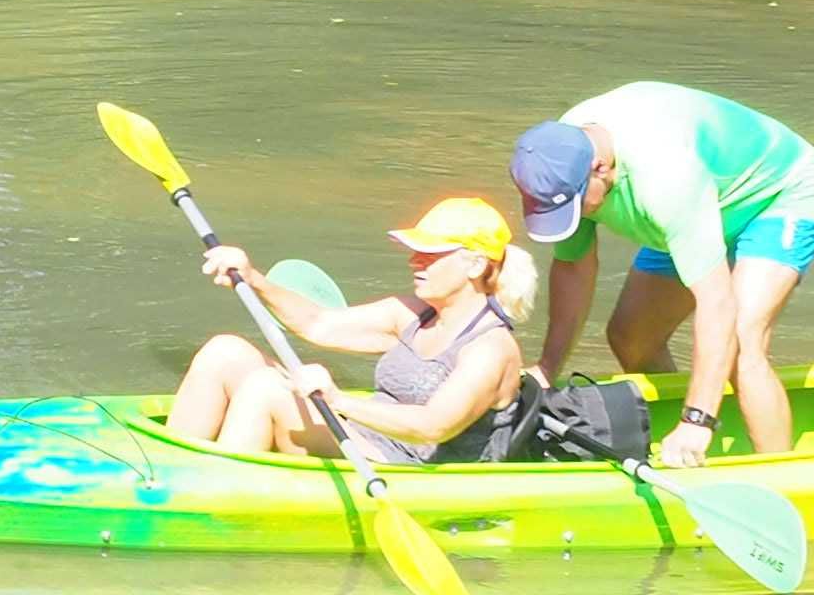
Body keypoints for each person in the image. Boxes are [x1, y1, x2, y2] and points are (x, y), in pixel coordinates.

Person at [509, 84, 814, 462]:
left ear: (599, 168)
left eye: (576, 207)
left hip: (777, 194)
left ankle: (781, 477)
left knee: (742, 342)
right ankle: (688, 435)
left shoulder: (665, 178)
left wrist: (698, 419)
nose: (573, 218)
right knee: (631, 337)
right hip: (698, 211)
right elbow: (573, 264)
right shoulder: (557, 162)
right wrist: (548, 367)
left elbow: (717, 304)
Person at [157, 198, 534, 465]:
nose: (414, 261)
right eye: (416, 251)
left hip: (408, 464)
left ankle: (216, 491)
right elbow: (318, 323)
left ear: (475, 264)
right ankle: (164, 469)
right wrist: (253, 278)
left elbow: (432, 427)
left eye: (431, 255)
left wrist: (338, 400)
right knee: (226, 352)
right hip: (365, 437)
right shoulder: (412, 313)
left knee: (266, 389)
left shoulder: (491, 348)